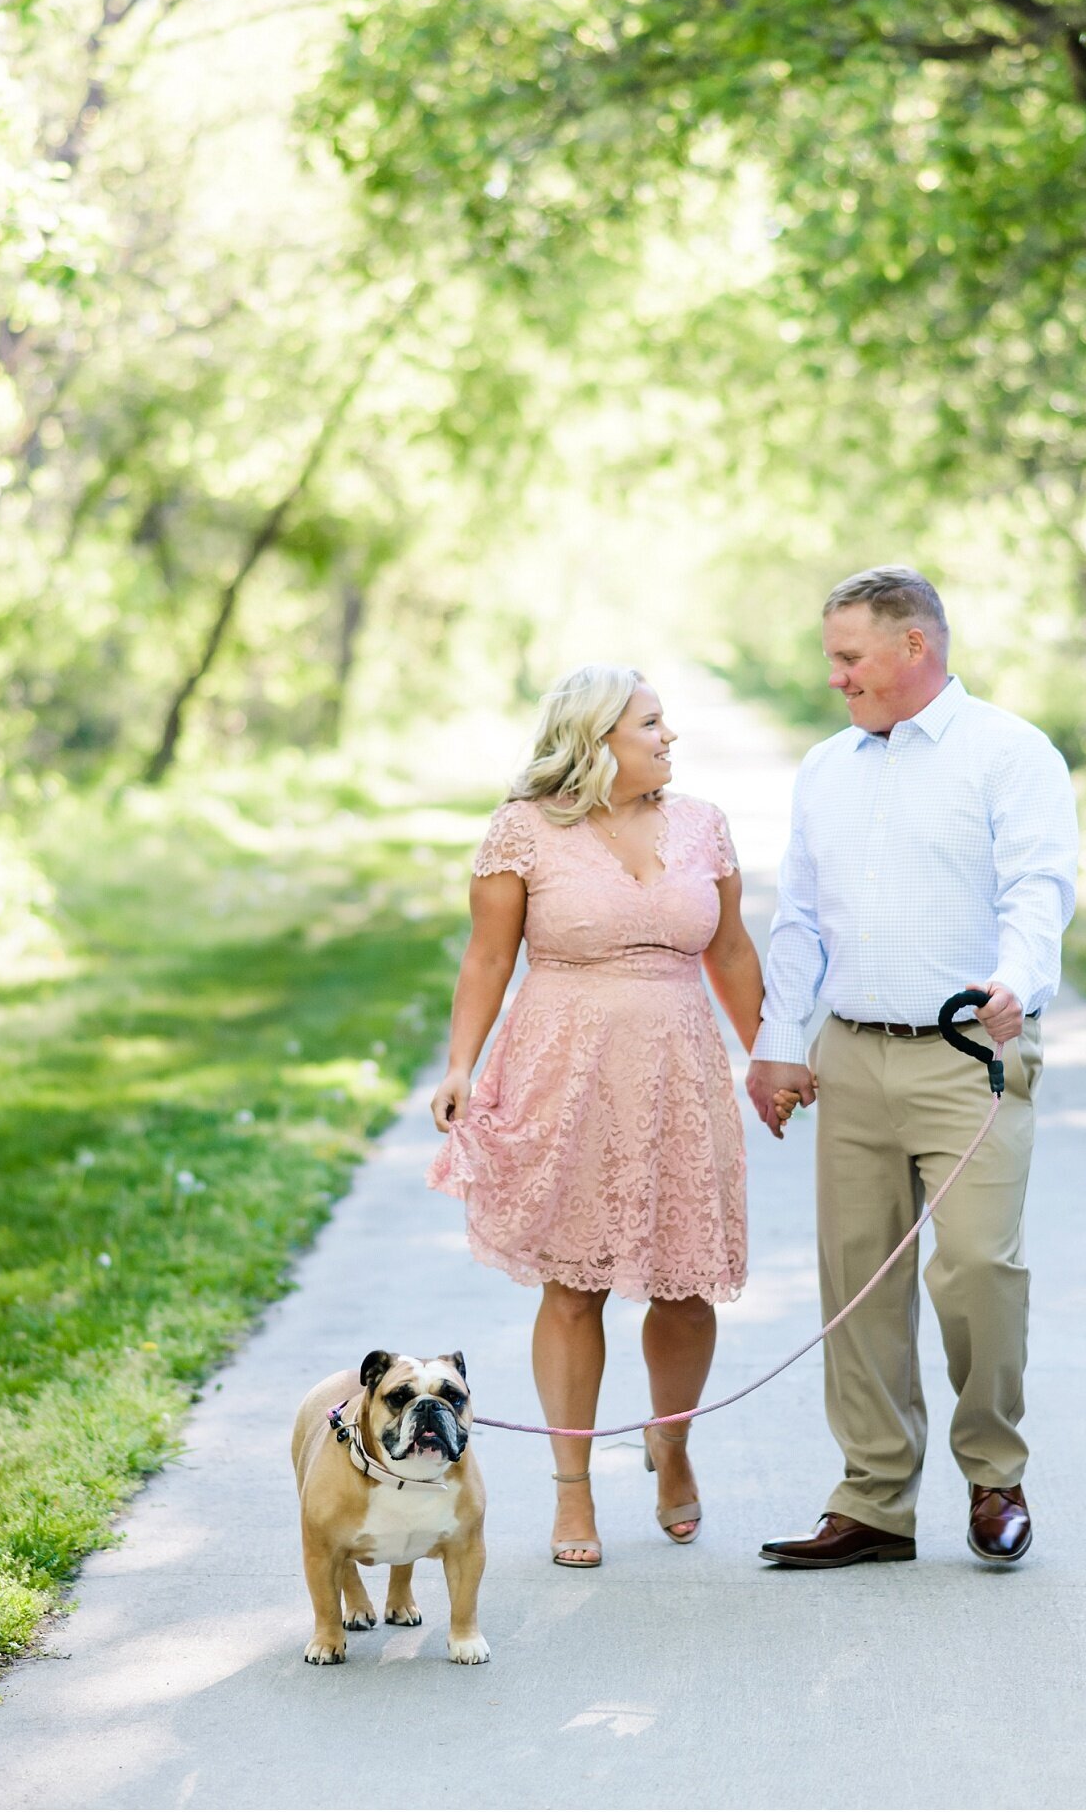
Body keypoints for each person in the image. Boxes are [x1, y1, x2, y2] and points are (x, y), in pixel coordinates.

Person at [747, 567, 1077, 1568]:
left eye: (848, 658)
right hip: (850, 1053)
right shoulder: (824, 767)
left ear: (912, 649)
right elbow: (797, 917)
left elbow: (1038, 885)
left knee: (977, 1264)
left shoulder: (1009, 754)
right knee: (856, 1280)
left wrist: (1016, 978)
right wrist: (775, 1037)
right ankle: (874, 1500)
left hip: (967, 1053)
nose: (835, 678)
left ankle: (993, 1473)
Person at [428, 665, 763, 1567]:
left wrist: (770, 1053)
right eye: (652, 723)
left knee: (687, 1287)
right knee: (572, 1288)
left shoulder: (702, 824)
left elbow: (730, 950)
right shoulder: (523, 829)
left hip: (680, 1076)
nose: (669, 737)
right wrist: (461, 1064)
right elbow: (487, 959)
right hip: (564, 1077)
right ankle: (572, 1492)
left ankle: (672, 1442)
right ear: (597, 739)